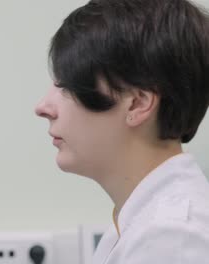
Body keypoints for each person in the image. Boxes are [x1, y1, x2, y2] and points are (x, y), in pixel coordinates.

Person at [35, 0, 209, 263]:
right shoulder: (140, 224)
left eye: (67, 87)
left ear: (138, 103)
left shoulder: (172, 239)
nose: (43, 107)